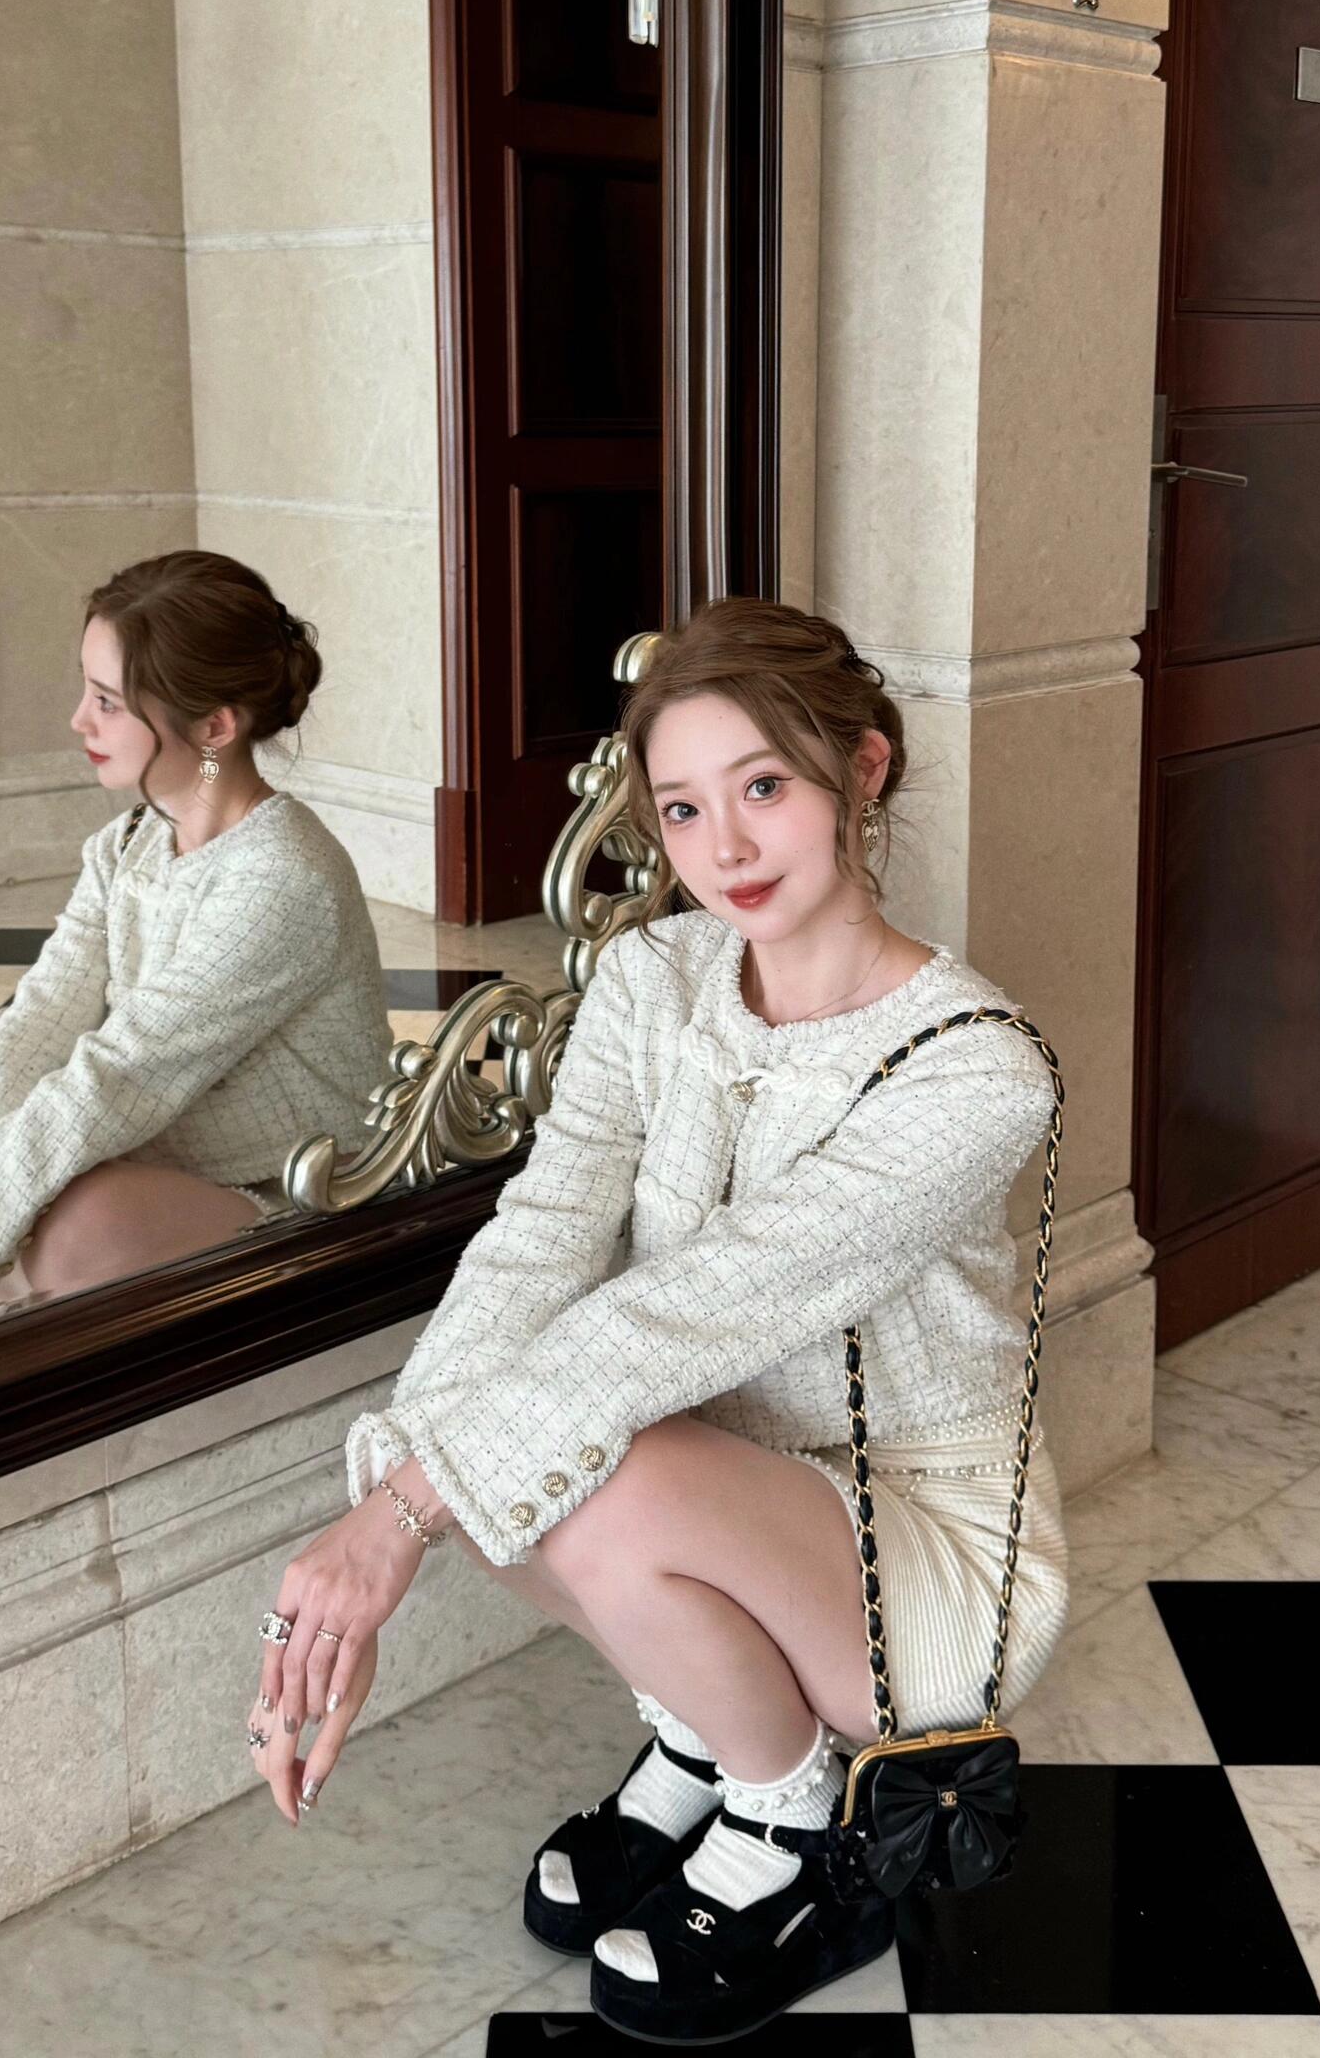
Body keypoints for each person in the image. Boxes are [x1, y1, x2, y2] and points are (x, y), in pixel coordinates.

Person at [244, 596, 1071, 2044]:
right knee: (503, 1458)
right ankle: (707, 1732)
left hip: (919, 1556)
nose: (725, 847)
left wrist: (403, 1517)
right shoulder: (653, 979)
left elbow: (696, 1308)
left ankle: (792, 1817)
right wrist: (394, 1494)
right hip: (718, 1489)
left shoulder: (975, 1070)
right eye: (683, 809)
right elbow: (540, 1239)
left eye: (765, 788)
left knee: (564, 1466)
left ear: (862, 770)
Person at [0, 550, 392, 1323]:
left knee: (60, 1225)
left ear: (214, 727)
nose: (79, 720)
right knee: (20, 1193)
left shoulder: (283, 877)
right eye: (87, 690)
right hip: (161, 1165)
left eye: (108, 702)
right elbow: (32, 1037)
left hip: (305, 1192)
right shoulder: (126, 847)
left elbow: (118, 1076)